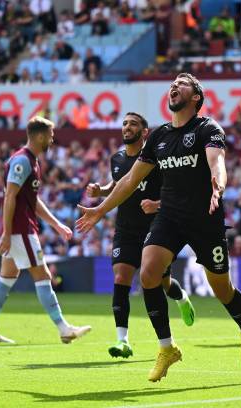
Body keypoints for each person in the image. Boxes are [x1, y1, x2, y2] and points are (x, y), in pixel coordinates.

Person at [76, 73, 241, 382]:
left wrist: (219, 184)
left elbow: (217, 163)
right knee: (148, 272)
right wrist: (100, 211)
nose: (175, 85)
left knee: (222, 290)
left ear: (196, 97)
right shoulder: (158, 137)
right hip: (169, 218)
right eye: (173, 83)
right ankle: (167, 348)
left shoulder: (207, 128)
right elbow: (130, 181)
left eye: (183, 83)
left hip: (205, 219)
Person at [86, 112, 195, 359]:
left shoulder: (156, 159)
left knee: (163, 283)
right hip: (125, 229)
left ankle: (182, 298)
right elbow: (119, 185)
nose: (127, 127)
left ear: (145, 132)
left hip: (155, 229)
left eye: (133, 124)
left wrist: (157, 204)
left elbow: (175, 189)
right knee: (121, 276)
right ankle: (122, 340)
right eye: (124, 123)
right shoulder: (117, 159)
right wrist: (100, 191)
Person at [0, 117, 91, 344]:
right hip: (21, 229)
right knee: (43, 276)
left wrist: (56, 224)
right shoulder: (23, 161)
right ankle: (64, 328)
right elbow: (9, 196)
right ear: (39, 136)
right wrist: (8, 233)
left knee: (8, 276)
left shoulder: (32, 161)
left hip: (20, 228)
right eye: (50, 135)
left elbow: (31, 200)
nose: (52, 139)